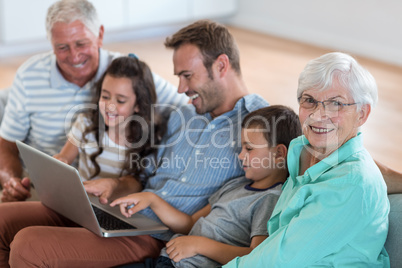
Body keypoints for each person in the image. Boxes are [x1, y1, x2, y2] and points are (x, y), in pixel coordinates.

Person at [0, 20, 269, 267]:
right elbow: (142, 175)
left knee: (28, 246)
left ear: (221, 65)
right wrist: (114, 185)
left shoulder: (262, 126)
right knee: (3, 221)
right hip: (120, 211)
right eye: (178, 76)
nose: (179, 88)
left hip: (156, 236)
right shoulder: (183, 116)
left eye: (187, 75)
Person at [0, 0, 188, 202]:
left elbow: (186, 108)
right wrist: (11, 180)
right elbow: (7, 145)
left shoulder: (127, 75)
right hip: (43, 189)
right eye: (62, 47)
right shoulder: (29, 77)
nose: (74, 56)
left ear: (99, 35)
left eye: (81, 43)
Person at [224, 52, 390, 267]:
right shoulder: (301, 150)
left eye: (336, 104)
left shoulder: (351, 181)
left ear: (362, 114)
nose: (319, 115)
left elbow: (280, 260)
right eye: (309, 101)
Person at [110, 105, 302, 268]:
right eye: (242, 148)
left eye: (249, 149)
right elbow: (189, 223)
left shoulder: (271, 199)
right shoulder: (236, 185)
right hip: (166, 259)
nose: (241, 155)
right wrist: (152, 200)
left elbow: (255, 256)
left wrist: (199, 245)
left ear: (278, 154)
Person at [53, 56, 165, 184]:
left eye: (120, 100)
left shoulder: (149, 140)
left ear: (139, 104)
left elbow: (140, 184)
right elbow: (64, 157)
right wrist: (60, 160)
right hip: (82, 202)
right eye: (105, 96)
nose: (109, 106)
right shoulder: (85, 123)